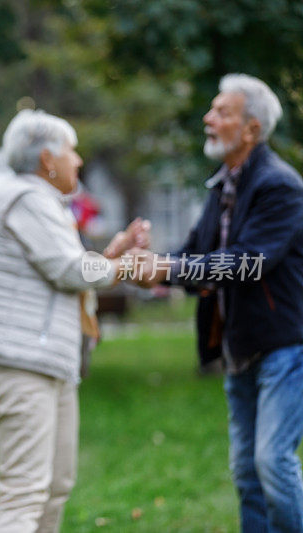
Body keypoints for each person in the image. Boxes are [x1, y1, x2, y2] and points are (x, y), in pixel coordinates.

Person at [0, 108, 149, 533]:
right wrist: (129, 267)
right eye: (72, 150)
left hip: (45, 360)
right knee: (25, 490)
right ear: (48, 159)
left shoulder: (41, 202)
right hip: (20, 359)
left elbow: (64, 267)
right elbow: (70, 269)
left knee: (55, 485)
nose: (78, 160)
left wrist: (113, 255)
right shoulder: (26, 197)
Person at [130, 74, 303, 532]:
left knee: (271, 461)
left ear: (251, 130)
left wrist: (167, 269)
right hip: (239, 344)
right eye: (212, 109)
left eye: (222, 112)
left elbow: (248, 263)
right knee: (246, 470)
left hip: (286, 344)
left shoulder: (280, 186)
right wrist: (150, 266)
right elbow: (195, 255)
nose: (208, 118)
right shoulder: (222, 187)